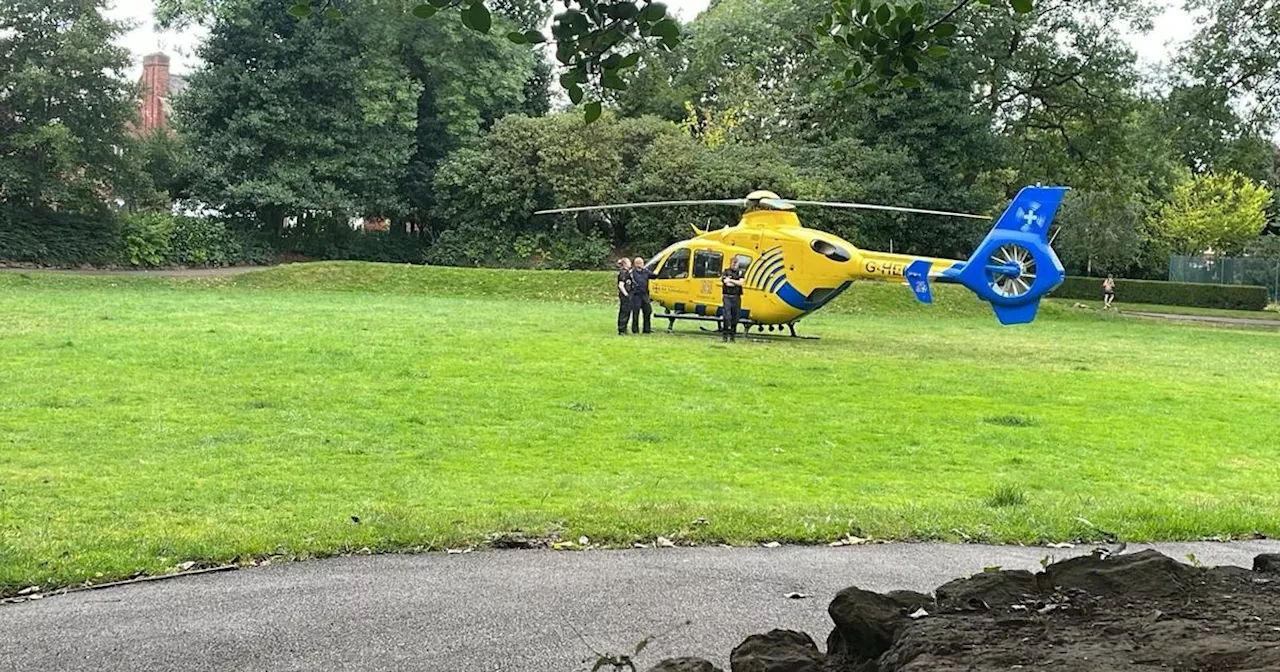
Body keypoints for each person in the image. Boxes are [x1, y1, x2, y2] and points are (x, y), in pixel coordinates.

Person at [720, 258, 746, 342]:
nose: (735, 265)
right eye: (733, 264)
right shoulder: (726, 272)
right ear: (730, 264)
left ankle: (732, 336)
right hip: (727, 296)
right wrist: (735, 282)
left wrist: (731, 280)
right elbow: (727, 283)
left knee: (735, 317)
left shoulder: (741, 272)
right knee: (727, 316)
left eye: (736, 264)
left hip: (736, 296)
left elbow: (741, 283)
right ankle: (725, 335)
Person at [629, 256, 655, 334]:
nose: (641, 264)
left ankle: (647, 329)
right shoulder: (632, 273)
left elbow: (653, 276)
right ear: (635, 264)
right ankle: (635, 329)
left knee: (648, 311)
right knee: (635, 313)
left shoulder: (646, 271)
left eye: (642, 263)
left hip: (645, 295)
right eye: (639, 263)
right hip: (636, 295)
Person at [616, 258, 634, 335]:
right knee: (624, 312)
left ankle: (624, 328)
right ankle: (621, 329)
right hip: (625, 296)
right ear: (625, 264)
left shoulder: (628, 272)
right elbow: (621, 285)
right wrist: (626, 295)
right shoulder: (623, 273)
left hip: (629, 294)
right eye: (629, 262)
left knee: (627, 312)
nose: (630, 263)